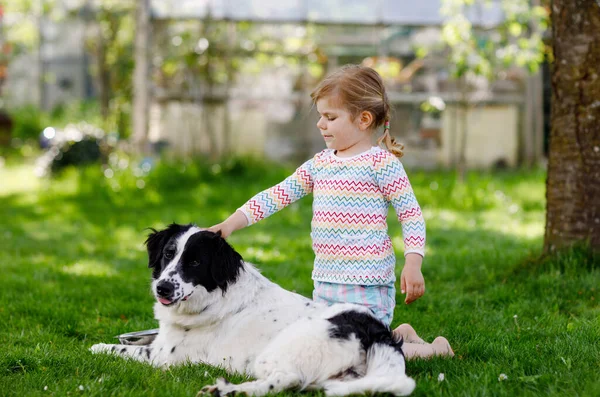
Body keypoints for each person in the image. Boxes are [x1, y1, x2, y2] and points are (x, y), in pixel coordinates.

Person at [209, 64, 452, 359]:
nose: (320, 124)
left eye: (330, 117)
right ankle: (403, 336)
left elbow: (410, 215)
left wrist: (413, 263)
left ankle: (436, 351)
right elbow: (277, 195)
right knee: (330, 343)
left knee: (361, 352)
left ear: (363, 119)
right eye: (320, 116)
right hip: (326, 281)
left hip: (367, 280)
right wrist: (230, 224)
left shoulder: (382, 165)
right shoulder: (320, 164)